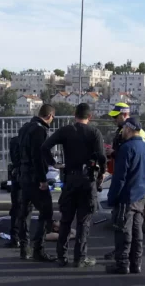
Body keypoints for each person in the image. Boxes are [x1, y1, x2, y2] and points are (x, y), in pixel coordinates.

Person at [41, 103, 106, 268]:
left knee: (65, 220)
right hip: (87, 181)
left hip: (70, 180)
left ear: (74, 115)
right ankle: (80, 258)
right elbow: (101, 156)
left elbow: (45, 147)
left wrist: (53, 164)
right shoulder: (94, 132)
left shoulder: (66, 130)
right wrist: (102, 173)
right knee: (83, 221)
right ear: (89, 117)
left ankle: (62, 257)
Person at [106, 118, 145, 275]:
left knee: (123, 232)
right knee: (137, 232)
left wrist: (112, 198)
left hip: (126, 198)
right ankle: (136, 264)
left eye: (124, 129)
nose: (122, 132)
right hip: (140, 197)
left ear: (128, 129)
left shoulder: (126, 149)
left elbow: (120, 178)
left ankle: (122, 264)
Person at [17, 104, 57, 262]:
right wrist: (42, 180)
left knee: (25, 212)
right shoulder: (40, 130)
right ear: (50, 116)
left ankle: (23, 248)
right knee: (46, 211)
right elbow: (37, 156)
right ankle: (38, 249)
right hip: (34, 177)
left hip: (23, 174)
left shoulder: (25, 127)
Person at [6, 134, 22, 249]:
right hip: (31, 177)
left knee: (16, 207)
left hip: (18, 176)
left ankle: (15, 238)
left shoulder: (15, 141)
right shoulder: (34, 138)